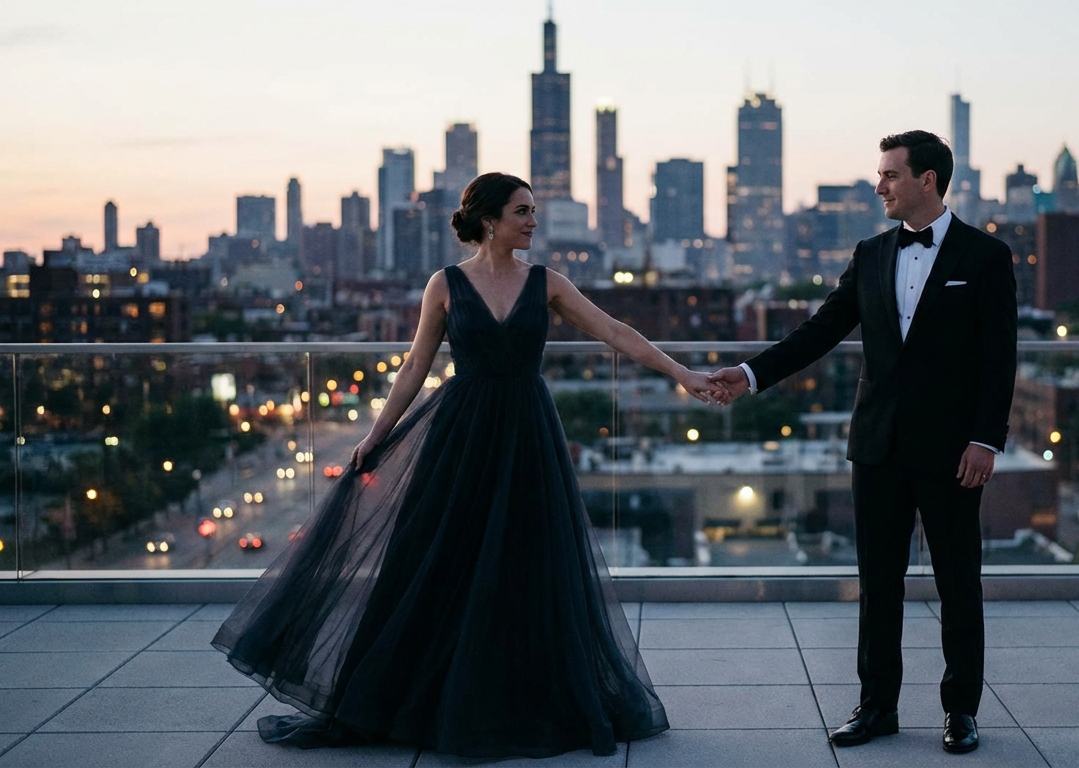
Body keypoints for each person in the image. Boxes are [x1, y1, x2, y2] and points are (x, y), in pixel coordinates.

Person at [213, 172, 720, 759]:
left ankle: (518, 696)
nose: (533, 221)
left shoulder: (548, 282)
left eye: (533, 211)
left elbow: (615, 332)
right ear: (489, 220)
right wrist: (376, 435)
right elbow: (412, 369)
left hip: (528, 433)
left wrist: (683, 375)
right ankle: (414, 697)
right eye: (523, 211)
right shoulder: (444, 285)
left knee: (528, 561)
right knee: (437, 560)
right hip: (461, 433)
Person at [709, 131, 1017, 754]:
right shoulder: (871, 252)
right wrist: (748, 376)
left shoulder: (986, 256)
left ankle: (962, 712)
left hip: (954, 450)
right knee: (879, 583)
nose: (878, 186)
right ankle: (877, 707)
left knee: (960, 582)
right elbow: (820, 330)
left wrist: (986, 440)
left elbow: (998, 358)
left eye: (889, 176)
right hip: (876, 446)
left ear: (926, 179)